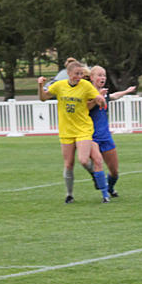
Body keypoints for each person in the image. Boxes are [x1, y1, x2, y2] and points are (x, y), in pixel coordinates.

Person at [37, 58, 110, 203]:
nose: (80, 77)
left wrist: (100, 100)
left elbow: (95, 96)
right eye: (77, 74)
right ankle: (69, 195)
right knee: (68, 164)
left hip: (83, 129)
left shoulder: (85, 85)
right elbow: (43, 98)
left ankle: (95, 176)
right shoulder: (59, 86)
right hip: (66, 130)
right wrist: (40, 86)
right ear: (69, 74)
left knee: (83, 160)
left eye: (81, 74)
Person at [85, 65, 136, 198]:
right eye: (99, 75)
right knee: (98, 163)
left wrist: (126, 91)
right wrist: (97, 98)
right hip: (91, 137)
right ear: (92, 77)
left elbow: (113, 96)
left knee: (114, 172)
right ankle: (103, 193)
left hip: (105, 137)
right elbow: (85, 108)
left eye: (104, 75)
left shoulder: (104, 93)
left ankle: (110, 188)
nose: (102, 78)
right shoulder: (86, 92)